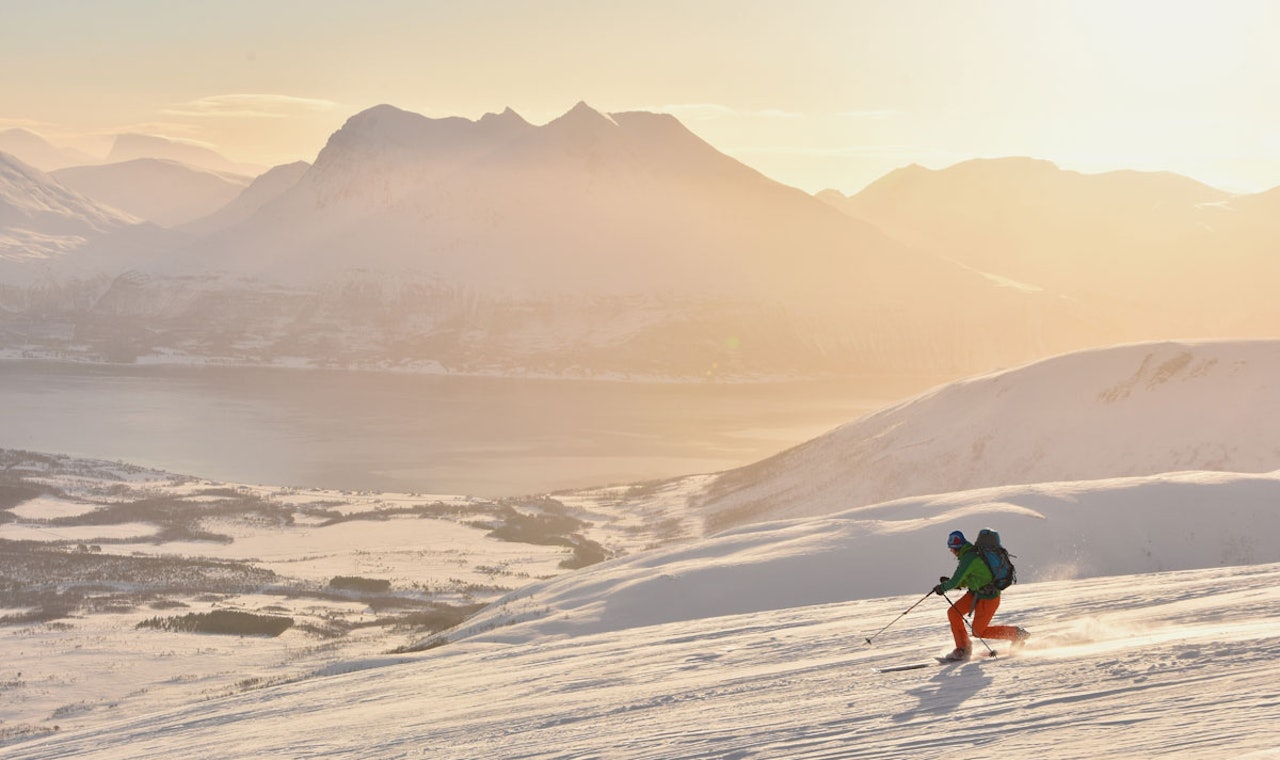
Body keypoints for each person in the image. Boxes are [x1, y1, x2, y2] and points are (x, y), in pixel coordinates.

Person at [932, 529, 1029, 661]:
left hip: (988, 598)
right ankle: (963, 648)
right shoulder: (969, 554)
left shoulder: (969, 558)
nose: (950, 551)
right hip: (975, 593)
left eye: (951, 548)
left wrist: (943, 587)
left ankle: (1016, 634)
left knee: (978, 632)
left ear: (956, 548)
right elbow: (972, 578)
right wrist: (954, 584)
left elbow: (956, 580)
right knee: (954, 613)